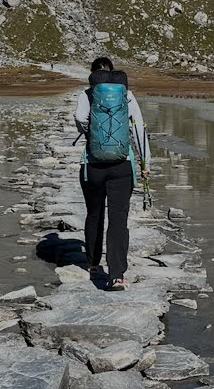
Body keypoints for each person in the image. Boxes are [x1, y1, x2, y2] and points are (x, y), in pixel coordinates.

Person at [73, 56, 148, 291]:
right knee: (118, 219)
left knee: (94, 213)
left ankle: (93, 263)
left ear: (93, 75)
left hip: (92, 165)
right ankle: (116, 275)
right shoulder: (126, 95)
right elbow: (138, 127)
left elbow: (79, 118)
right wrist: (146, 162)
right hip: (121, 166)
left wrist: (90, 132)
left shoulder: (87, 95)